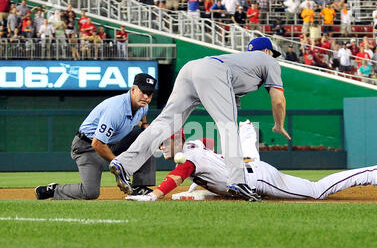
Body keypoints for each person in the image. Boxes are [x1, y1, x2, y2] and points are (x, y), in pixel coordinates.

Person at [109, 37, 290, 202]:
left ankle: (124, 163)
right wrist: (279, 124)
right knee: (228, 127)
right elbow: (278, 100)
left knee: (165, 122)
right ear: (267, 51)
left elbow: (231, 94)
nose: (273, 57)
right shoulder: (268, 61)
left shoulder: (242, 62)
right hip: (214, 72)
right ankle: (237, 181)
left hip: (190, 69)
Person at [126, 121, 377, 202]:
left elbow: (180, 173)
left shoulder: (190, 155)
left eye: (163, 140)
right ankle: (246, 130)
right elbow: (202, 157)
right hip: (246, 168)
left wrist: (155, 195)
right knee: (244, 152)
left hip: (259, 178)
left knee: (316, 191)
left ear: (175, 140)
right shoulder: (194, 146)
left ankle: (374, 173)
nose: (159, 145)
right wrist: (198, 188)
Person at [35, 74, 158, 200]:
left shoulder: (143, 106)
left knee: (147, 137)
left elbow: (142, 117)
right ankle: (55, 190)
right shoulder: (116, 110)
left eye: (150, 94)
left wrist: (144, 124)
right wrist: (120, 168)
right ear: (133, 90)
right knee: (90, 192)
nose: (146, 97)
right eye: (143, 92)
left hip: (113, 142)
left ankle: (139, 187)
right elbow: (97, 143)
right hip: (87, 146)